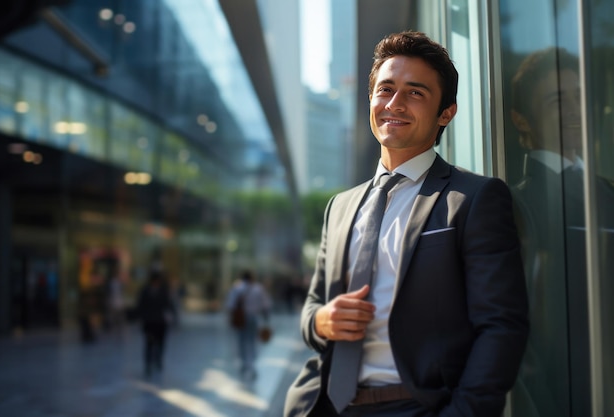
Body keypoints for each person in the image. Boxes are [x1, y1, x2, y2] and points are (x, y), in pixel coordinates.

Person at [284, 31, 529, 417]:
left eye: (415, 93)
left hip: (416, 407)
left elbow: (501, 326)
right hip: (325, 405)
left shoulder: (475, 199)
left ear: (446, 112)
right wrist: (321, 321)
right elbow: (313, 306)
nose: (394, 103)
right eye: (385, 89)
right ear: (371, 99)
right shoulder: (340, 207)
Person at [509, 47, 614, 417]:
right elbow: (515, 335)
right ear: (521, 120)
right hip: (562, 400)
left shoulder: (607, 192)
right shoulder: (512, 206)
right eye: (557, 100)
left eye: (579, 97)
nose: (574, 110)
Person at [225, 269, 272, 380]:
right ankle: (251, 364)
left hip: (241, 318)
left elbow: (230, 305)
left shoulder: (237, 288)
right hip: (253, 318)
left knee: (241, 341)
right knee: (252, 341)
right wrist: (266, 318)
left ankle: (244, 364)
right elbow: (265, 305)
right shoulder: (258, 288)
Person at [136, 269, 177, 377]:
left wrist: (173, 318)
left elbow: (169, 305)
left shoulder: (164, 291)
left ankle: (158, 360)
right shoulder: (145, 291)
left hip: (160, 322)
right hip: (150, 322)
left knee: (160, 343)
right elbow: (140, 306)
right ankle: (148, 363)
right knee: (149, 344)